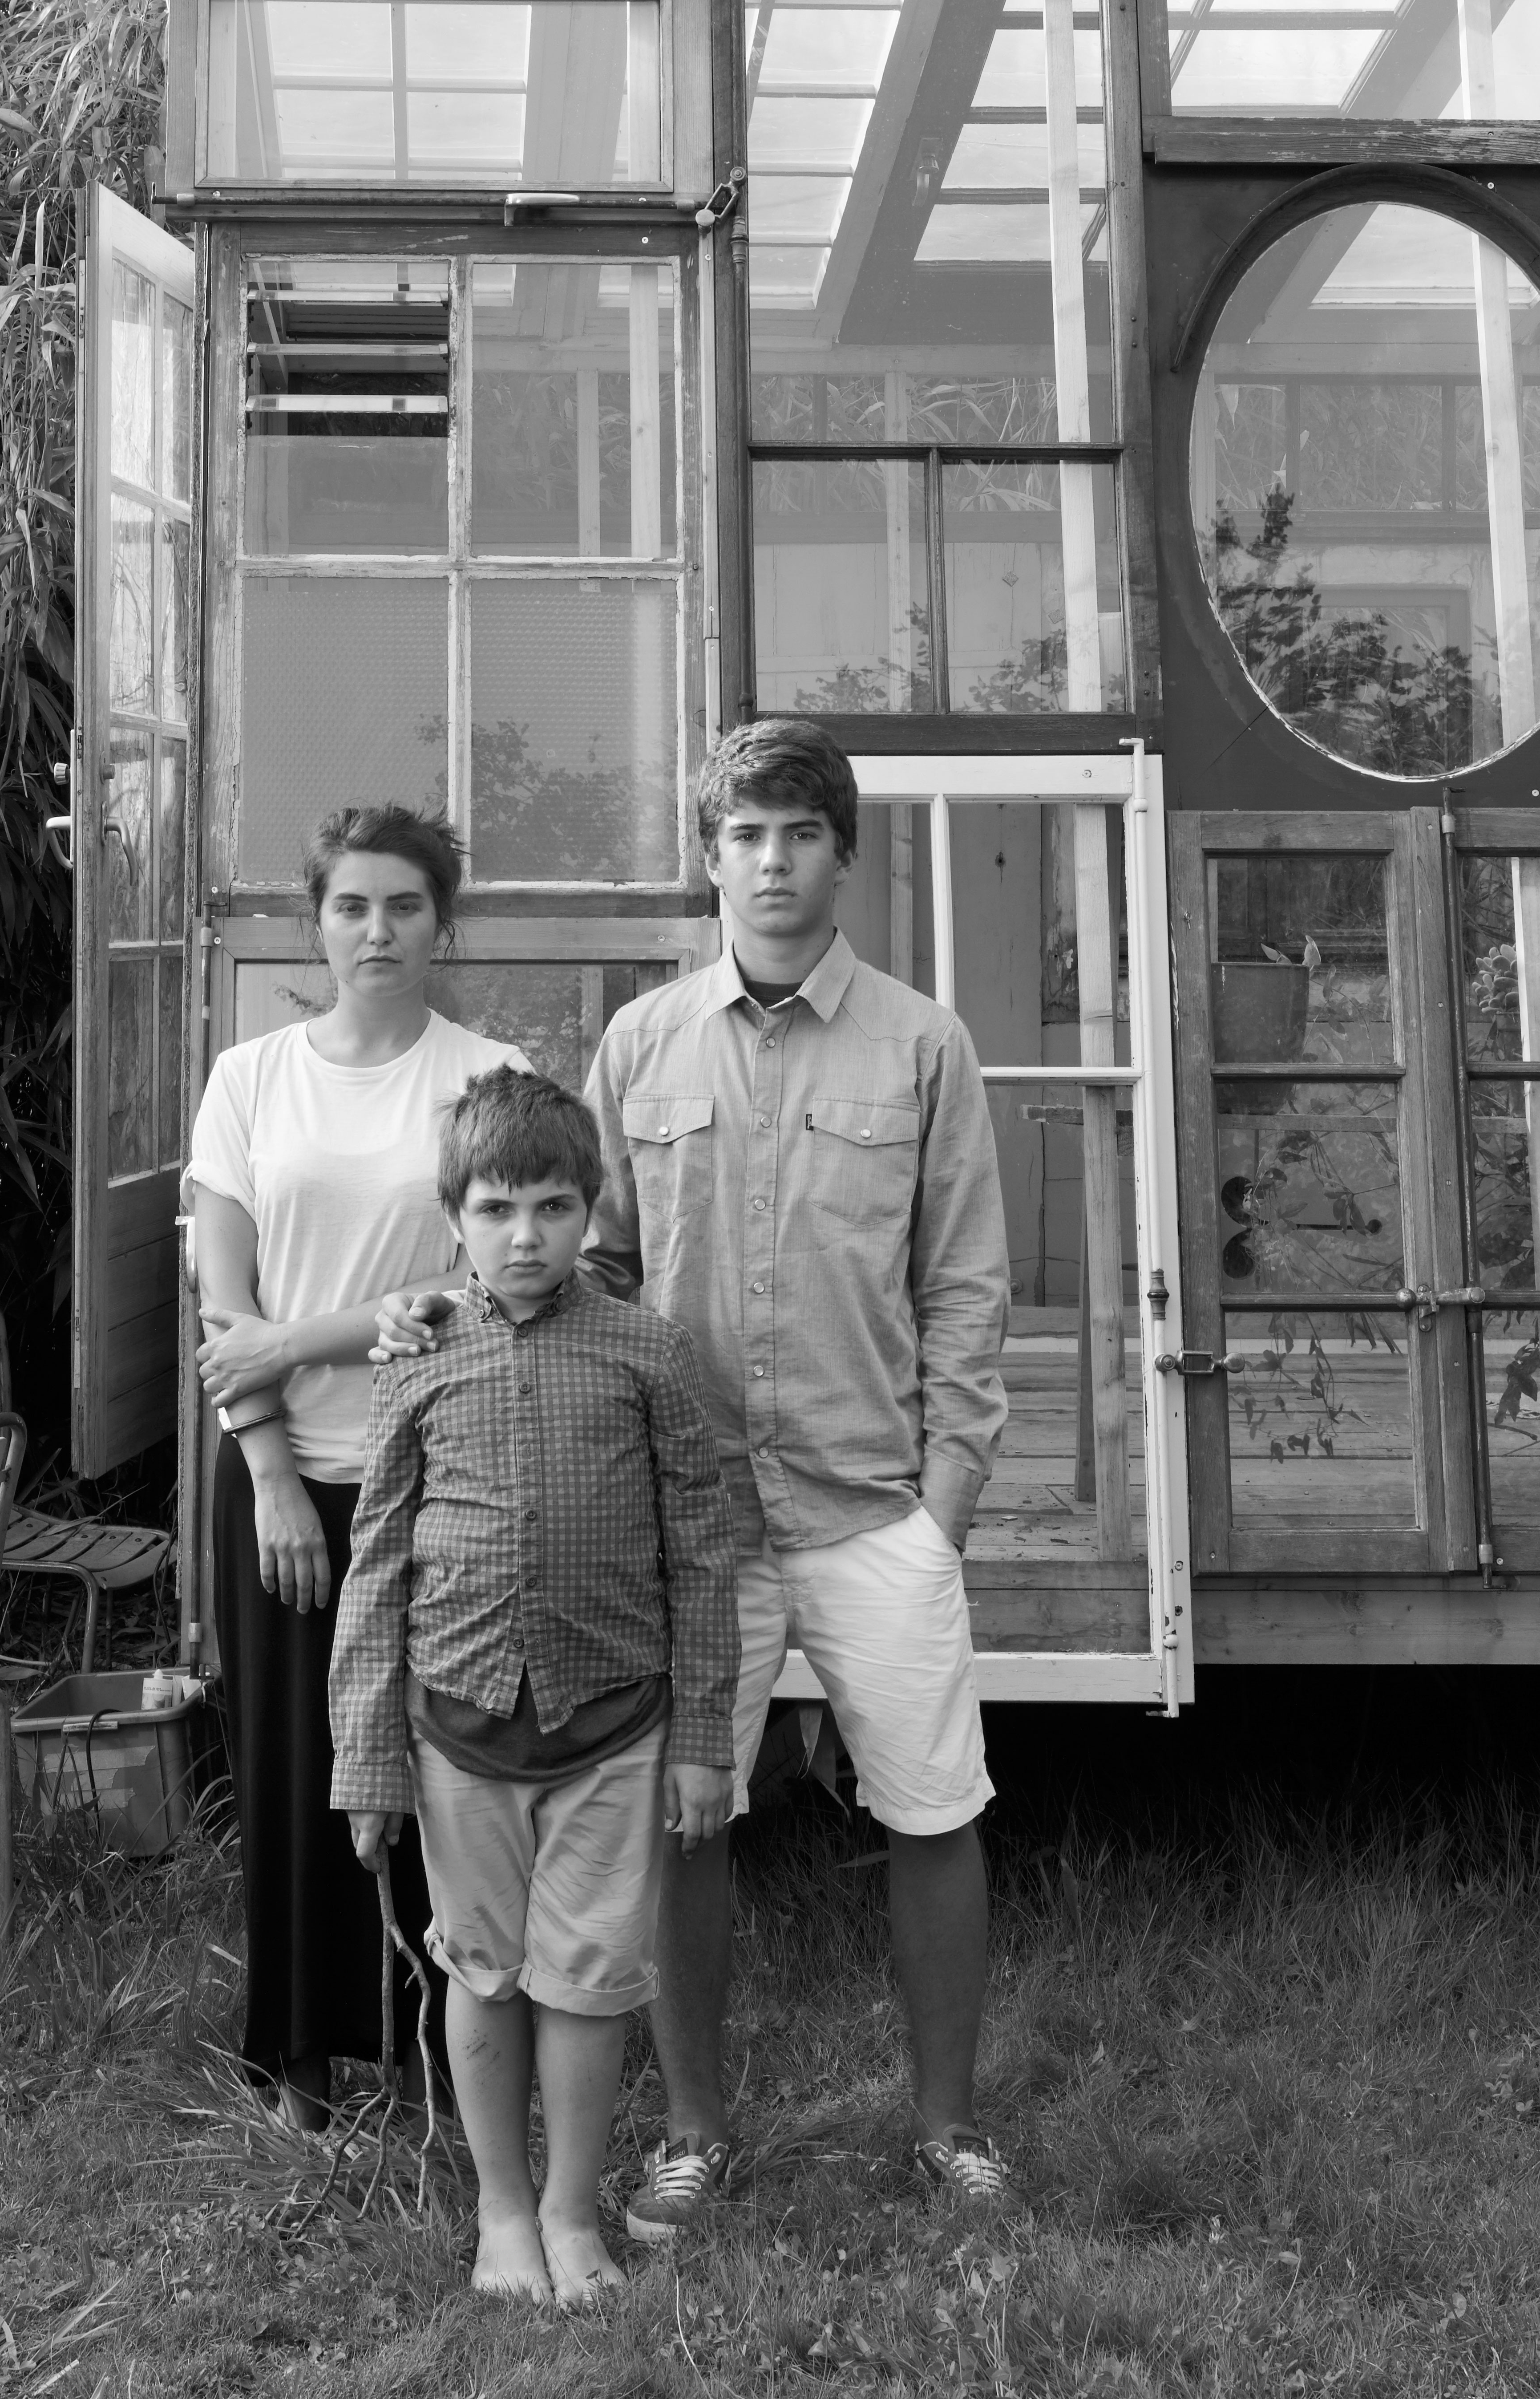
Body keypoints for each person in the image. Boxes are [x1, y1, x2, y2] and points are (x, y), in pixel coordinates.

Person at [379, 716, 1015, 2225]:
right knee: (682, 1820)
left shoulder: (922, 1044)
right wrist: (443, 1305)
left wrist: (947, 1504)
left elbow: (967, 1287)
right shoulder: (642, 1044)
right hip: (681, 1529)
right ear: (710, 859)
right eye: (746, 837)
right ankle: (695, 2132)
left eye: (801, 834)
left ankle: (944, 2126)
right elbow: (573, 1262)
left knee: (934, 1812)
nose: (774, 863)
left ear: (843, 857)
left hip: (872, 1511)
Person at [329, 1068, 738, 2304]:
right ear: (454, 1214)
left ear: (589, 1210)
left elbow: (704, 1548)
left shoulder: (647, 1352)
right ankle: (500, 2215)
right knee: (481, 1969)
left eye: (552, 1207)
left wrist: (703, 1739)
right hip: (456, 1733)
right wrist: (368, 1763)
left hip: (617, 1727)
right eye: (498, 1208)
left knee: (591, 1977)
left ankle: (571, 2214)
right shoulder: (413, 1359)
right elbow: (376, 1563)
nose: (525, 1236)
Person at [185, 805, 530, 2127]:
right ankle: (299, 2060)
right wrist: (271, 1474)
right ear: (313, 923)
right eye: (350, 907)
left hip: (443, 1475)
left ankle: (447, 2057)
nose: (375, 930)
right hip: (280, 1475)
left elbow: (480, 1284)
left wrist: (297, 1337)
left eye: (402, 906)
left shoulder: (486, 1079)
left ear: (443, 925)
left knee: (440, 1764)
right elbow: (223, 1312)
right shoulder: (251, 1078)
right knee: (291, 1766)